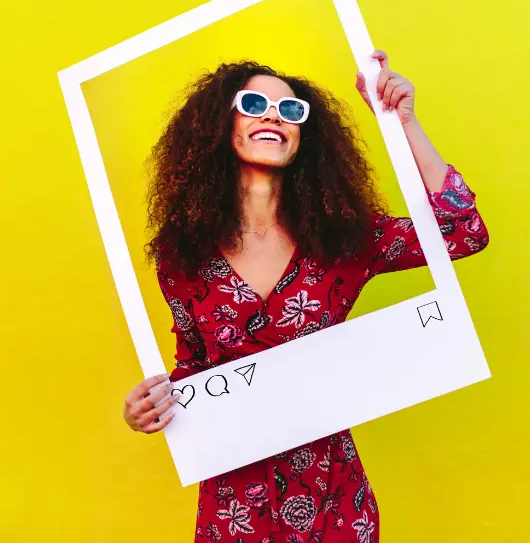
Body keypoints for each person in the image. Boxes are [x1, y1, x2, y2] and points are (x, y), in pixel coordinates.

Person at [123, 51, 489, 543]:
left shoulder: (342, 240)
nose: (274, 115)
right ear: (221, 122)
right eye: (254, 103)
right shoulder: (180, 254)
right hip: (234, 502)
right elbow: (194, 368)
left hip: (332, 493)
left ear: (304, 139)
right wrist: (151, 407)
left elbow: (462, 231)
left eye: (292, 111)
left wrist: (404, 124)